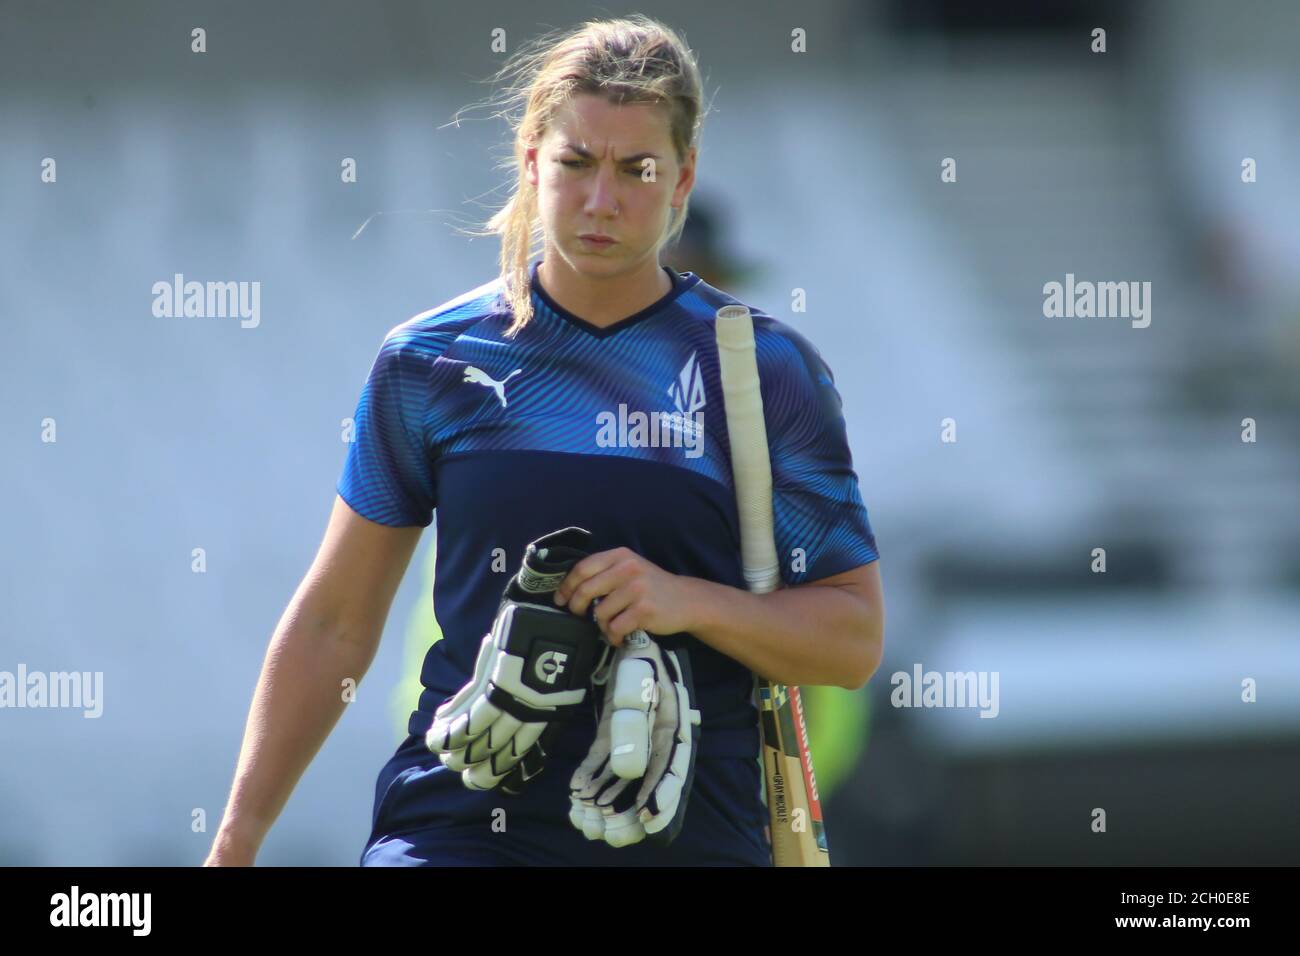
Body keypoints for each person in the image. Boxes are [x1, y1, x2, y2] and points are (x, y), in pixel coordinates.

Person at [205, 14, 884, 868]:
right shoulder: (429, 361)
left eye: (638, 169)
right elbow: (335, 621)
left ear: (683, 178)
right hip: (454, 833)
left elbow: (853, 639)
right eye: (575, 163)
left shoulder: (768, 370)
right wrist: (236, 839)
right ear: (532, 160)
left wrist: (686, 601)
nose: (604, 198)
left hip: (691, 838)